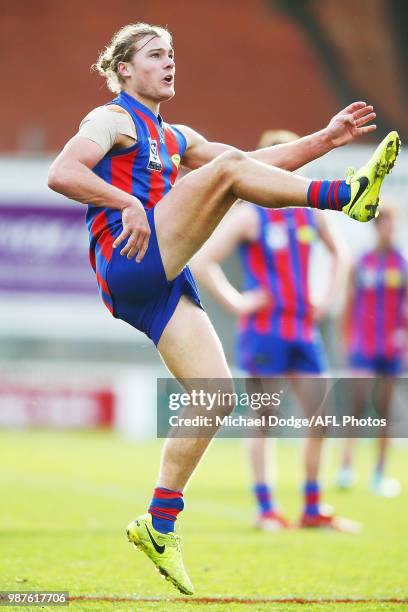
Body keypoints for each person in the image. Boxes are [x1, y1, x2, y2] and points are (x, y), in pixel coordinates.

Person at [47, 22, 400, 595]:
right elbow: (62, 172)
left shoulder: (174, 134)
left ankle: (158, 525)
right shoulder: (111, 118)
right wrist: (125, 201)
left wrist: (325, 138)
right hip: (129, 257)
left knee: (215, 395)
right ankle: (343, 197)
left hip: (158, 275)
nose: (169, 63)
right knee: (228, 174)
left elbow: (251, 161)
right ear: (124, 70)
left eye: (172, 54)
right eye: (155, 55)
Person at [191, 129, 354, 532]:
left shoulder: (309, 212)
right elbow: (204, 262)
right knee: (264, 419)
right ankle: (266, 509)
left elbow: (341, 255)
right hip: (264, 332)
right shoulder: (250, 215)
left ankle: (313, 507)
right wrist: (238, 302)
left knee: (321, 417)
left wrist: (327, 297)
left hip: (303, 331)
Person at [337, 204, 406, 497]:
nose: (387, 227)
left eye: (392, 222)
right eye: (383, 222)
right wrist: (346, 339)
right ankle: (345, 467)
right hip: (363, 346)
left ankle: (379, 474)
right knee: (357, 404)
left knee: (384, 410)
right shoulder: (361, 262)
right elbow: (349, 303)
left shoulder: (400, 264)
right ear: (376, 226)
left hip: (390, 348)